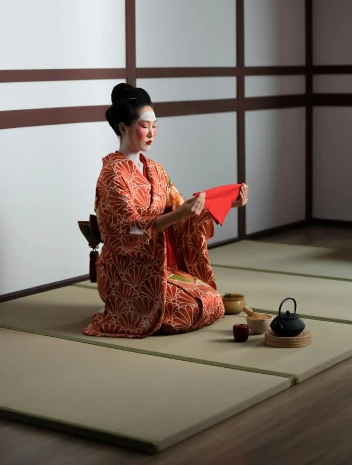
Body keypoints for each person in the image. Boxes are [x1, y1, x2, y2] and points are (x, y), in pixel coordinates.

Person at [83, 83, 248, 339]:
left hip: (159, 265)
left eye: (155, 126)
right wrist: (179, 215)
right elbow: (129, 228)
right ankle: (125, 307)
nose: (151, 133)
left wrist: (225, 204)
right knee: (190, 308)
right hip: (128, 272)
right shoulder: (112, 175)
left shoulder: (156, 170)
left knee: (212, 299)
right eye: (144, 126)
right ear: (123, 128)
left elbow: (183, 211)